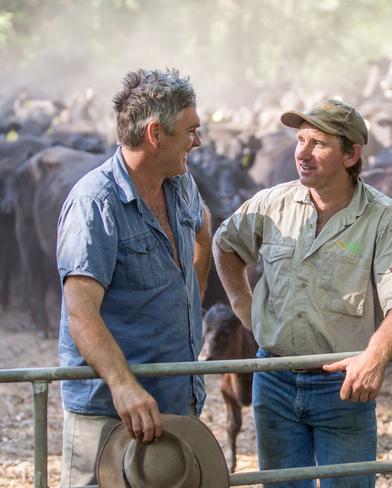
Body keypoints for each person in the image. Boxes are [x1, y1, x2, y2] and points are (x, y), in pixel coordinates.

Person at [213, 98, 392, 487]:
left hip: (342, 386)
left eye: (318, 144)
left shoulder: (383, 217)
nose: (302, 153)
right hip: (273, 377)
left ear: (351, 154)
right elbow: (225, 245)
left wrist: (374, 358)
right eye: (300, 140)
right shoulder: (272, 203)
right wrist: (244, 305)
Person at [57, 68, 211, 487]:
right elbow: (81, 311)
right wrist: (123, 385)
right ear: (155, 134)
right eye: (190, 131)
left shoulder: (181, 186)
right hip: (110, 410)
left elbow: (202, 227)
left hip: (175, 398)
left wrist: (190, 299)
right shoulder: (95, 204)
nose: (197, 142)